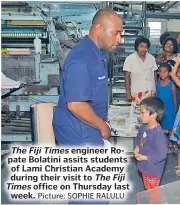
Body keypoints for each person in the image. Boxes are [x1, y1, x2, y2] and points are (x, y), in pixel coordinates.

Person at [53, 9, 123, 146]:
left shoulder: (97, 54)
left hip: (88, 126)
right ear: (98, 28)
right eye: (116, 33)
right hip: (79, 132)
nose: (119, 39)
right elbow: (76, 105)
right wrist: (102, 126)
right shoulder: (82, 58)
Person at [133, 97, 168, 190]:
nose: (141, 115)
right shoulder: (143, 127)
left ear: (154, 115)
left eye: (143, 113)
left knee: (153, 191)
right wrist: (137, 147)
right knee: (147, 187)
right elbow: (138, 139)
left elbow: (162, 154)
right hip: (144, 166)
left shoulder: (158, 134)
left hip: (153, 170)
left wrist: (146, 158)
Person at [124, 36, 158, 107]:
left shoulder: (151, 58)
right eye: (141, 46)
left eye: (146, 47)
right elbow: (127, 77)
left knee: (149, 114)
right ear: (137, 47)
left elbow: (154, 74)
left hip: (150, 91)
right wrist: (128, 93)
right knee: (137, 115)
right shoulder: (130, 59)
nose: (144, 49)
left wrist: (156, 89)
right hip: (137, 92)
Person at [156, 63, 177, 134]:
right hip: (160, 110)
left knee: (169, 129)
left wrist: (175, 109)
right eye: (161, 71)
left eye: (165, 72)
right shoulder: (158, 84)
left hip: (170, 111)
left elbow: (174, 98)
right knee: (161, 128)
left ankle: (170, 143)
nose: (162, 74)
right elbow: (157, 96)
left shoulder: (172, 85)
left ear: (169, 73)